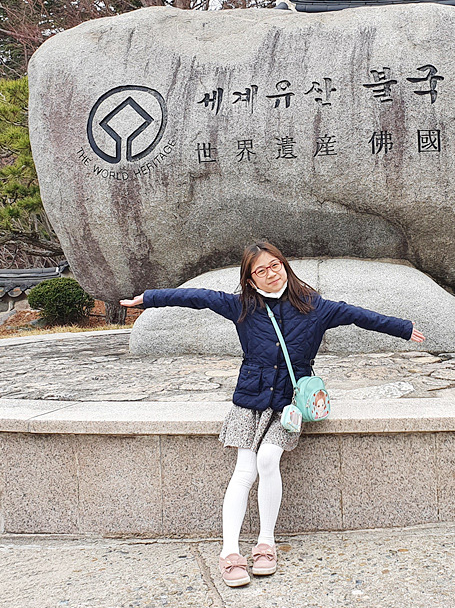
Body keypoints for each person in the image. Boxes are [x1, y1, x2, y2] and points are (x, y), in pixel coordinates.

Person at [119, 242, 426, 587]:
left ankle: (265, 543)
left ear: (284, 265)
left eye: (275, 265)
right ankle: (229, 551)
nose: (270, 273)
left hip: (288, 405)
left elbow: (359, 315)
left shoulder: (315, 306)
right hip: (250, 399)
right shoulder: (242, 306)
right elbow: (198, 297)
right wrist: (149, 298)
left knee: (267, 460)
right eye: (260, 270)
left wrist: (402, 328)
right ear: (250, 279)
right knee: (244, 469)